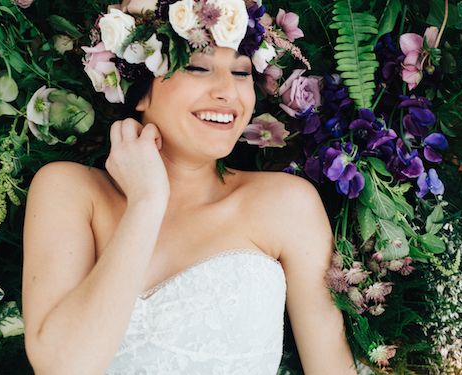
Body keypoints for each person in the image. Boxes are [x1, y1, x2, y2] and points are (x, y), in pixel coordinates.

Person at [21, 1, 358, 374]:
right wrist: (146, 202)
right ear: (141, 88)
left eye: (242, 73)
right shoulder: (68, 191)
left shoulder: (287, 205)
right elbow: (62, 367)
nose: (228, 92)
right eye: (199, 67)